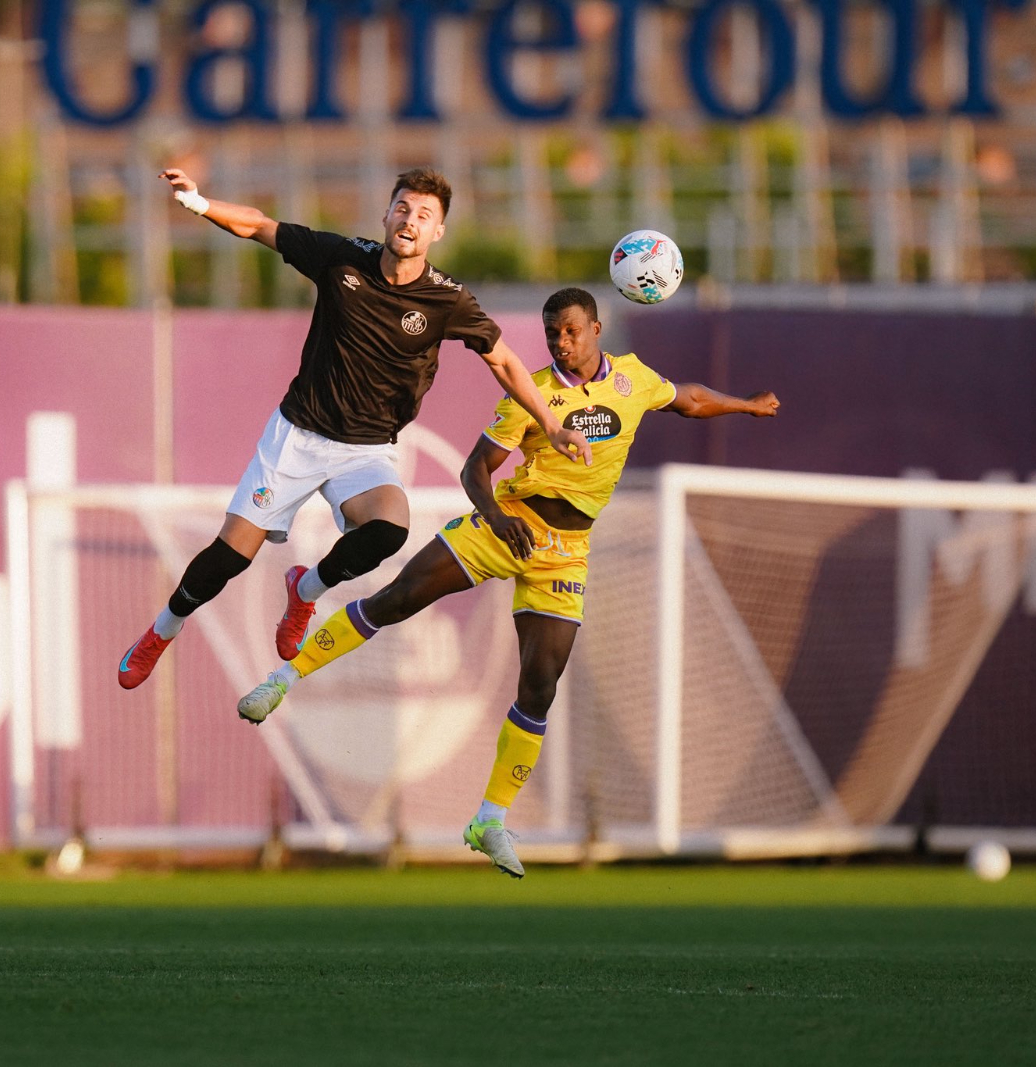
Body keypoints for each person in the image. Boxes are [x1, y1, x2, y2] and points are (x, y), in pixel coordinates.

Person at [236, 288, 780, 878]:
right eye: (552, 334)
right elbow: (476, 469)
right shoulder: (531, 393)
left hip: (566, 556)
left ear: (596, 329)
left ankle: (488, 820)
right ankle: (281, 679)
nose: (560, 343)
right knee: (395, 602)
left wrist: (746, 407)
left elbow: (690, 399)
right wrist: (497, 518)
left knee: (539, 689)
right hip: (507, 526)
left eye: (571, 331)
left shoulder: (633, 380)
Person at [117, 166, 593, 688]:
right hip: (296, 437)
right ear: (386, 215)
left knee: (388, 531)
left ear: (438, 232)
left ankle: (306, 591)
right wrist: (200, 203)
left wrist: (550, 423)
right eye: (404, 209)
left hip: (366, 450)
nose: (411, 221)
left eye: (425, 215)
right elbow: (257, 225)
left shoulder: (446, 299)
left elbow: (502, 361)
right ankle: (160, 632)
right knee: (227, 561)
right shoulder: (341, 257)